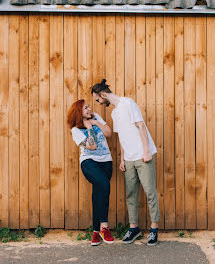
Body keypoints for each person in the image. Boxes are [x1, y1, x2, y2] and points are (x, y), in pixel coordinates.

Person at [91, 79, 160, 246]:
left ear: (103, 94)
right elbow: (121, 136)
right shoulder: (114, 113)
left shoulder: (128, 103)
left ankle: (154, 229)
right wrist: (122, 158)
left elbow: (141, 126)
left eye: (98, 99)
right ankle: (134, 228)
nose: (99, 103)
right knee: (131, 194)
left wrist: (146, 151)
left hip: (143, 156)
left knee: (150, 192)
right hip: (128, 159)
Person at [67, 99, 115, 246]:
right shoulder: (75, 130)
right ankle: (104, 227)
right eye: (86, 108)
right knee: (105, 185)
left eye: (88, 107)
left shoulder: (96, 117)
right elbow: (92, 147)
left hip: (106, 161)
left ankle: (95, 232)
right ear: (79, 112)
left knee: (98, 193)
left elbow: (108, 133)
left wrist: (96, 123)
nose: (89, 109)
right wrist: (88, 128)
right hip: (89, 162)